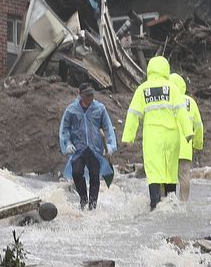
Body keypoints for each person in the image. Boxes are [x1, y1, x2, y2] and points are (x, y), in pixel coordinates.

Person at [122, 56, 194, 210]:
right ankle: (172, 203)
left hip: (152, 138)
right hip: (171, 137)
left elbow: (133, 113)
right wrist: (188, 132)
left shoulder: (142, 89)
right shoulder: (172, 88)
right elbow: (181, 112)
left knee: (154, 170)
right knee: (170, 169)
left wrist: (129, 137)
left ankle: (155, 205)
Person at [59, 82, 117, 211]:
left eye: (91, 95)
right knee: (77, 173)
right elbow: (65, 129)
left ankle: (93, 206)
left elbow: (108, 128)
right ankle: (83, 200)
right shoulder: (71, 110)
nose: (90, 98)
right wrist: (67, 143)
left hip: (94, 149)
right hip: (78, 150)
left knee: (95, 177)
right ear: (80, 95)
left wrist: (109, 146)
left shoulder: (100, 108)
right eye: (87, 96)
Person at [169, 72, 204, 201]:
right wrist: (197, 145)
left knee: (167, 177)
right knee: (184, 177)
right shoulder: (191, 102)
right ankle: (184, 202)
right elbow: (199, 125)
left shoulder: (168, 100)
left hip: (169, 147)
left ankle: (166, 202)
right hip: (185, 147)